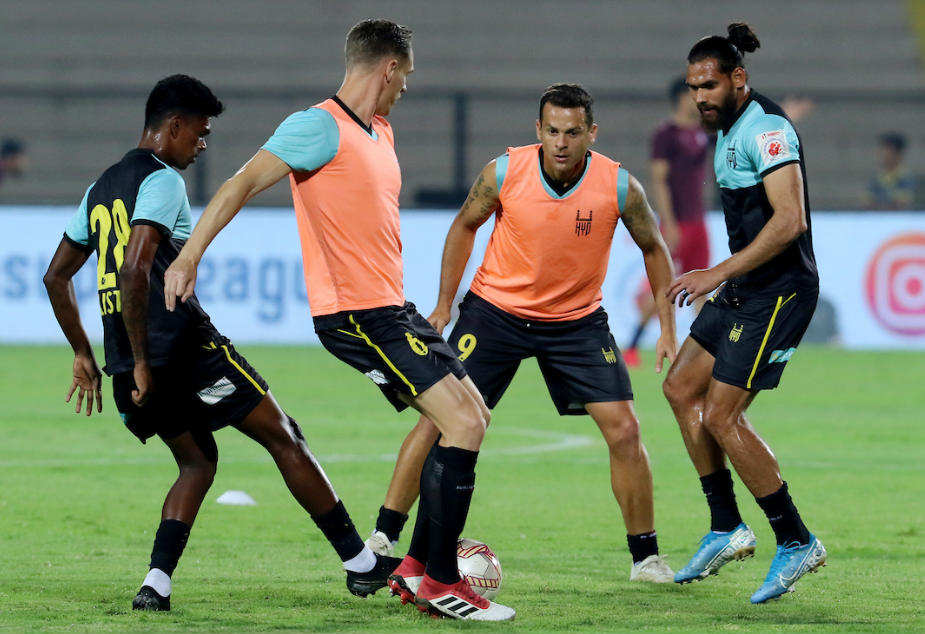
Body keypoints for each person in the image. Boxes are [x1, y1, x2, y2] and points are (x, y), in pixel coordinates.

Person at [162, 21, 514, 622]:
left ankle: (414, 568)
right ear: (389, 68)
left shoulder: (381, 131)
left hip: (392, 307)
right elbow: (240, 184)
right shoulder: (316, 126)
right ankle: (440, 582)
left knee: (472, 414)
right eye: (406, 75)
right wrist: (189, 254)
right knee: (460, 423)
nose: (406, 87)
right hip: (355, 314)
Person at [43, 74, 400, 612]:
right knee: (285, 437)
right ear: (174, 126)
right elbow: (137, 269)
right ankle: (361, 564)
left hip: (126, 363)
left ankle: (156, 585)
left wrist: (83, 352)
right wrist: (144, 361)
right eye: (200, 133)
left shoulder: (100, 188)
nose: (202, 144)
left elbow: (56, 276)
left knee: (197, 462)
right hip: (183, 352)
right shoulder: (162, 180)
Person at [364, 83, 679, 586]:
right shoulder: (505, 172)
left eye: (572, 133)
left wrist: (667, 327)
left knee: (625, 429)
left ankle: (646, 558)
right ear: (538, 130)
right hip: (495, 314)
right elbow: (464, 226)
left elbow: (655, 248)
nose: (561, 142)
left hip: (576, 322)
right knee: (438, 420)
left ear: (591, 133)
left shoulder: (620, 186)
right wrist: (444, 304)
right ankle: (384, 535)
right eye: (552, 131)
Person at [661, 23, 827, 604]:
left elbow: (790, 220)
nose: (699, 97)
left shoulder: (767, 130)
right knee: (681, 388)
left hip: (779, 293)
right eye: (692, 88)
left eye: (709, 85)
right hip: (747, 286)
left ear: (738, 78)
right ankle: (726, 525)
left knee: (722, 416)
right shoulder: (728, 127)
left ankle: (796, 539)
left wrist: (716, 273)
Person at [624, 76, 711, 368]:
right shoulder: (666, 135)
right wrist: (669, 222)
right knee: (664, 288)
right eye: (694, 93)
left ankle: (704, 351)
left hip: (698, 222)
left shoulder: (702, 132)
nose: (699, 99)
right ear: (682, 98)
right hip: (677, 224)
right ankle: (633, 345)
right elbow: (659, 180)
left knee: (702, 285)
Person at [864, 132, 914, 210]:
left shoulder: (907, 178)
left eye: (887, 151)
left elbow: (902, 204)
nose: (882, 155)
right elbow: (867, 202)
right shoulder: (876, 179)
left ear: (897, 154)